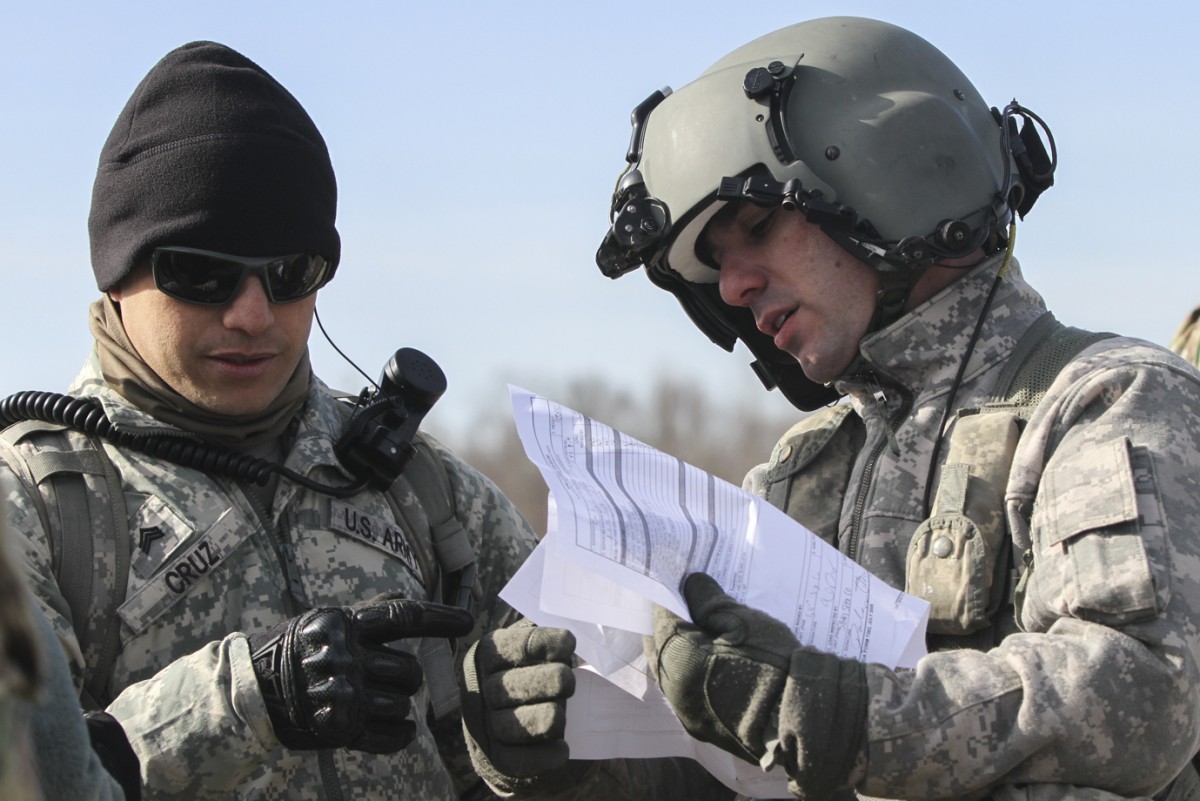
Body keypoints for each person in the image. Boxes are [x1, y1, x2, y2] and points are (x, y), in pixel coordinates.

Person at [0, 41, 728, 801]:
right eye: (201, 271)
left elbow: (658, 767)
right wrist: (245, 700)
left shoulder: (427, 494)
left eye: (291, 274)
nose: (251, 313)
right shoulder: (35, 509)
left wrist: (550, 760)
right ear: (116, 274)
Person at [595, 16, 1200, 801]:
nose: (736, 287)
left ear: (891, 179)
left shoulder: (1107, 400)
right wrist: (575, 756)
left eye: (755, 226)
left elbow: (1141, 697)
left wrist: (838, 715)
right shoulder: (795, 474)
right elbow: (730, 768)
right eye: (716, 267)